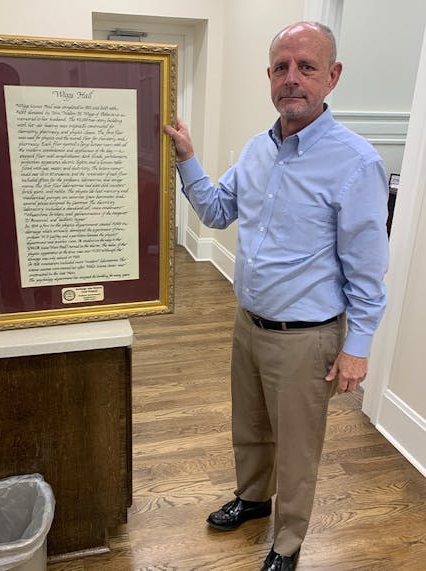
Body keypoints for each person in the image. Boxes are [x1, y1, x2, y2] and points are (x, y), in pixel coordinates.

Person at [164, 21, 388, 571]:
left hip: (307, 340)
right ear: (269, 76)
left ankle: (287, 544)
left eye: (306, 67)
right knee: (251, 427)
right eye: (282, 67)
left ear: (331, 77)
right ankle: (253, 498)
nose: (292, 79)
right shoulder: (256, 151)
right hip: (248, 324)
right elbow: (218, 211)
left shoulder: (356, 163)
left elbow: (368, 272)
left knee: (298, 449)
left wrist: (356, 348)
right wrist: (187, 158)